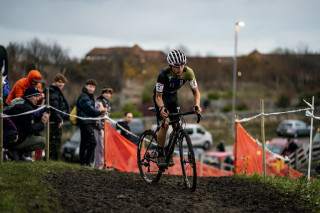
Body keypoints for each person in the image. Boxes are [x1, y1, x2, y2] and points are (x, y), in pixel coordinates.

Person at [153, 49, 202, 167]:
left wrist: (197, 105)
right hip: (161, 97)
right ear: (170, 66)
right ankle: (160, 153)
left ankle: (169, 150)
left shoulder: (189, 72)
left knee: (176, 126)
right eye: (176, 67)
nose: (180, 69)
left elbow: (196, 92)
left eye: (182, 66)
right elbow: (158, 97)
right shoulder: (163, 74)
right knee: (165, 124)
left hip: (173, 96)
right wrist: (162, 108)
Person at [5, 87, 50, 161]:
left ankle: (18, 154)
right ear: (28, 97)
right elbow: (31, 129)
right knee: (43, 141)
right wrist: (42, 122)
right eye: (35, 96)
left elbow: (27, 121)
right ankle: (18, 153)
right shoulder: (27, 108)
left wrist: (40, 117)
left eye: (38, 96)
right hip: (15, 140)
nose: (38, 99)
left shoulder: (18, 101)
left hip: (7, 137)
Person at [76, 79, 106, 166]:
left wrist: (97, 126)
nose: (91, 89)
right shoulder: (84, 97)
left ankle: (83, 162)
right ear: (86, 86)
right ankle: (86, 162)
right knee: (93, 142)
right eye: (90, 86)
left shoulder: (89, 96)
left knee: (84, 142)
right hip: (85, 122)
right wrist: (100, 110)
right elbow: (90, 110)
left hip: (87, 122)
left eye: (93, 87)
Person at [48, 74, 70, 160]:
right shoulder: (53, 92)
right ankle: (52, 159)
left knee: (57, 142)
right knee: (54, 142)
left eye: (63, 82)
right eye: (59, 82)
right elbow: (55, 107)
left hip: (57, 120)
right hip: (54, 121)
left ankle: (54, 159)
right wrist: (59, 120)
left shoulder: (57, 92)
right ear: (55, 82)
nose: (61, 84)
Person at [93, 85, 112, 169]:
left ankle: (102, 165)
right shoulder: (99, 102)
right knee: (99, 148)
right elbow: (97, 116)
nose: (108, 95)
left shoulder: (107, 103)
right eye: (106, 93)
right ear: (103, 93)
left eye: (109, 93)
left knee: (104, 148)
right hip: (99, 128)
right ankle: (98, 166)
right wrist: (99, 127)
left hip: (105, 128)